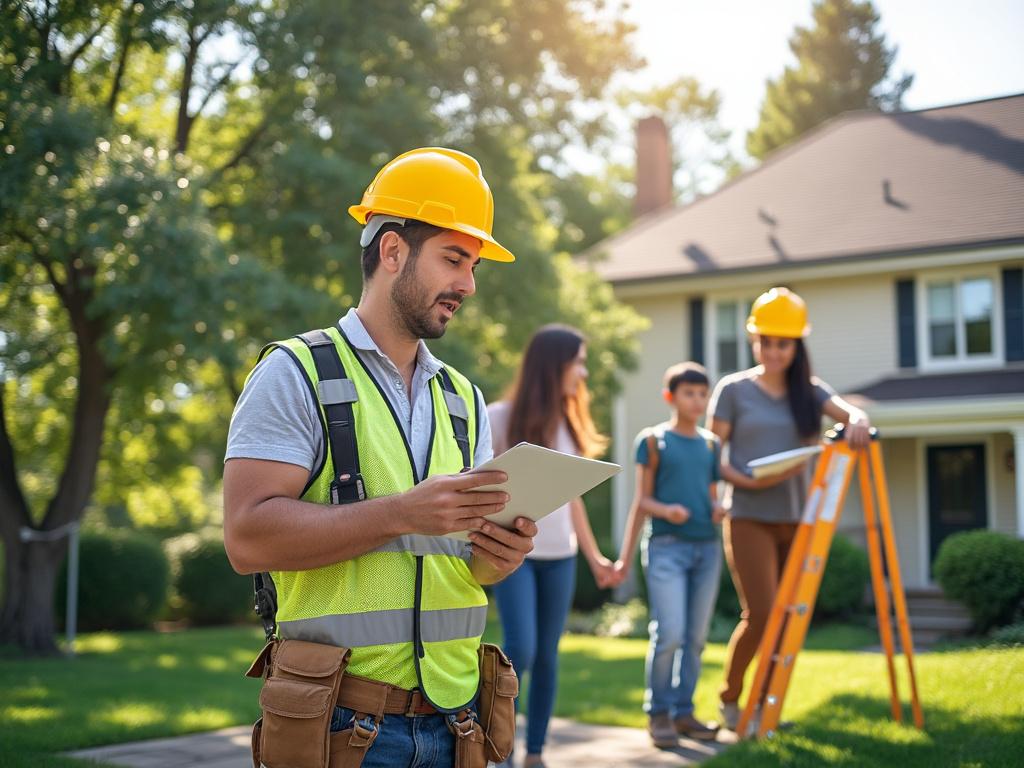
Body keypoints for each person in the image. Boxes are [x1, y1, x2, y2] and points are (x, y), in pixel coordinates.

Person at [223, 147, 538, 768]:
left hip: (460, 724)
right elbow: (246, 539)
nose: (468, 285)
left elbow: (462, 566)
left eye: (473, 266)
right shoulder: (295, 373)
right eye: (454, 259)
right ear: (392, 251)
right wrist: (400, 513)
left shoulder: (463, 400)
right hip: (343, 724)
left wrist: (499, 558)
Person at [708, 287, 871, 732]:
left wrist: (855, 423)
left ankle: (765, 708)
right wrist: (743, 479)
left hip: (797, 519)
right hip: (747, 516)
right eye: (765, 340)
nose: (773, 350)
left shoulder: (810, 392)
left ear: (797, 345)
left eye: (783, 342)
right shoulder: (733, 390)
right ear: (753, 341)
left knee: (785, 618)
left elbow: (851, 415)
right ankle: (731, 698)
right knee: (761, 613)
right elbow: (714, 454)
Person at [486, 325, 617, 768]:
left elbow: (571, 496)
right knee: (519, 648)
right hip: (514, 554)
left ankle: (536, 753)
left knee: (547, 654)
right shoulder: (499, 417)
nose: (583, 372)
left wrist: (594, 556)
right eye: (578, 362)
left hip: (560, 557)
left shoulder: (569, 423)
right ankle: (500, 749)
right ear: (553, 366)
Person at [613, 362, 725, 748]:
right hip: (666, 548)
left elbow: (712, 496)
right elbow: (641, 500)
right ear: (670, 397)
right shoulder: (653, 441)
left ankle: (684, 712)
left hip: (708, 548)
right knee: (670, 633)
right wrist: (666, 512)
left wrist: (718, 509)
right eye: (689, 393)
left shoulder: (711, 444)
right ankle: (658, 712)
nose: (697, 400)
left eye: (702, 393)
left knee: (695, 638)